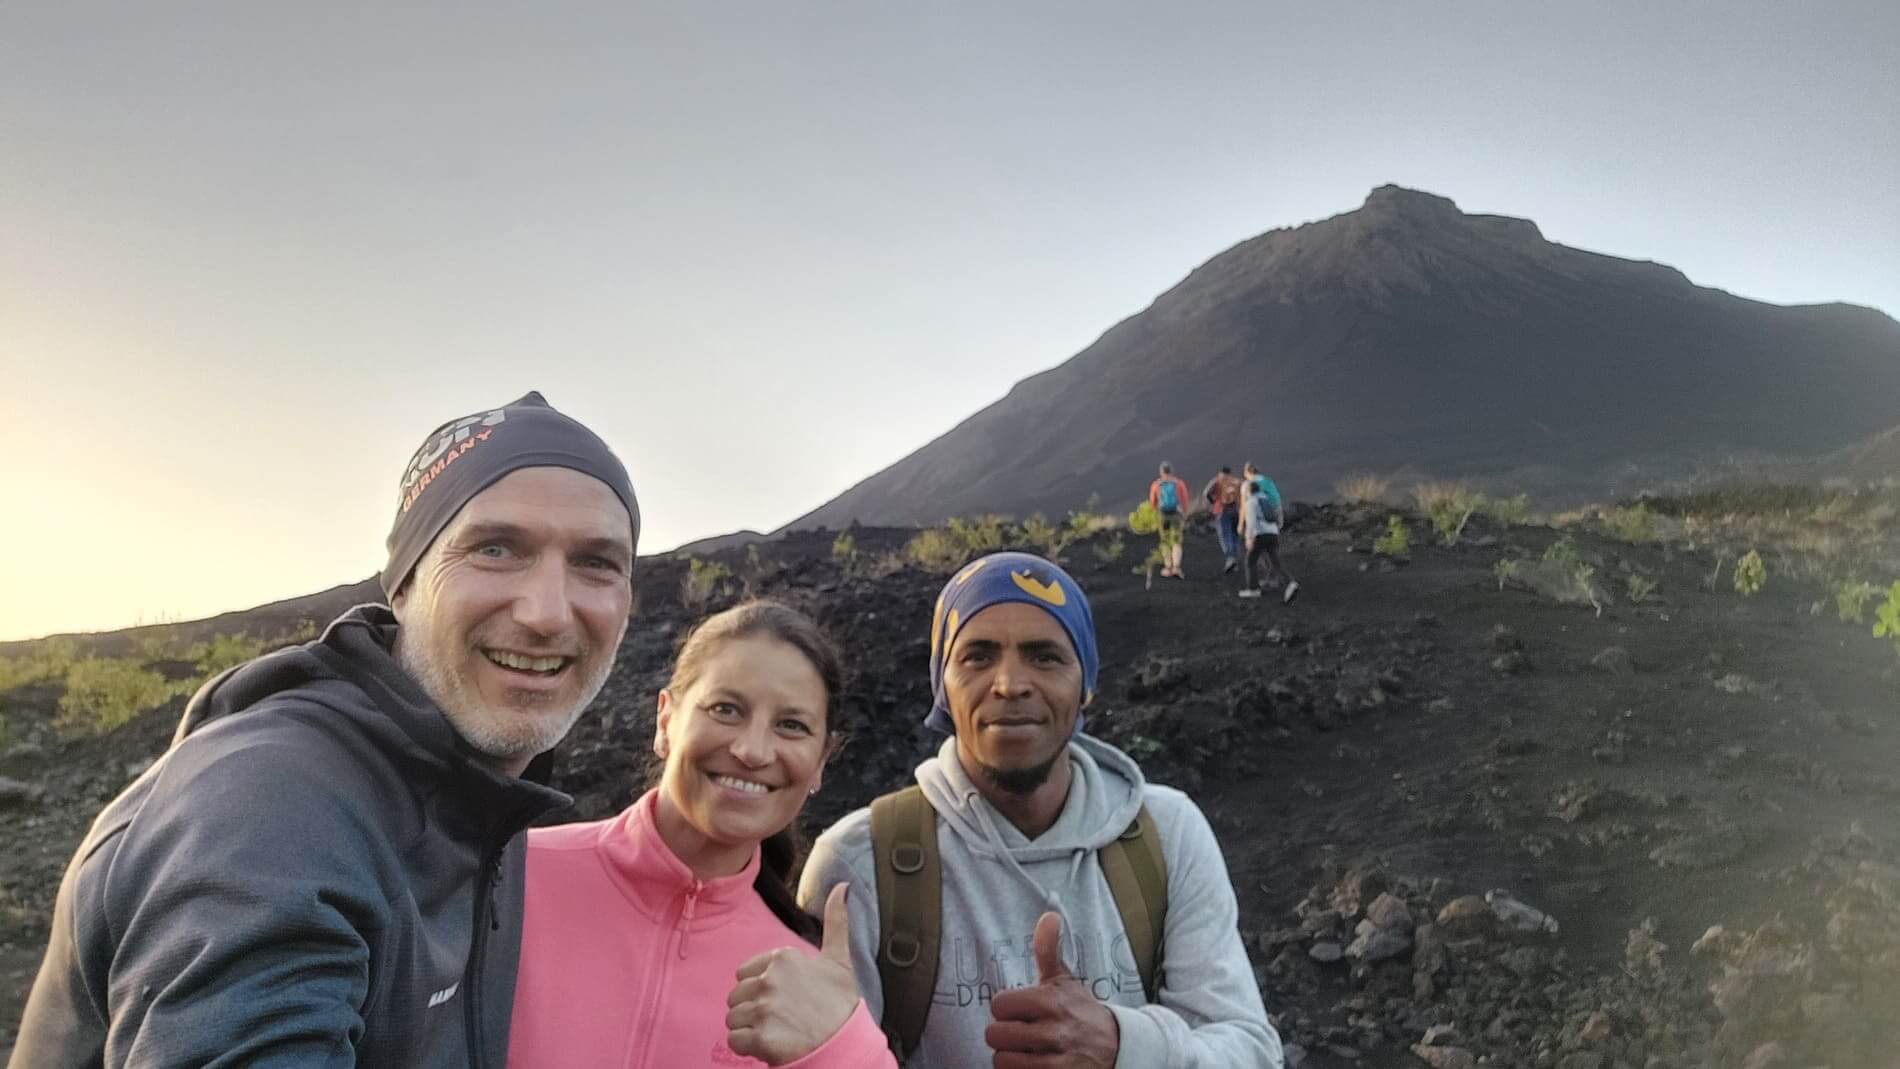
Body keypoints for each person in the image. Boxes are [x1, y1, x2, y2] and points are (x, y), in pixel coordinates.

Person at [12, 392, 640, 1068]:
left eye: (597, 562)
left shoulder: (482, 800)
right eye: (494, 548)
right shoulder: (270, 810)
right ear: (403, 584)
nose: (547, 612)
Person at [798, 551, 1284, 1067]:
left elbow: (1250, 1050)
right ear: (944, 686)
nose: (1010, 683)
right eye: (978, 656)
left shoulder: (1167, 833)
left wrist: (1124, 1047)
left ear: (1085, 686)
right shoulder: (861, 864)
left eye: (1045, 656)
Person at [507, 600, 893, 1068]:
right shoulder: (513, 879)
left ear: (821, 761)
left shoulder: (799, 988)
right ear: (665, 720)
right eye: (725, 709)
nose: (752, 750)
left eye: (791, 726)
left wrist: (844, 1050)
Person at [1239, 464, 1299, 603]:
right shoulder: (1266, 500)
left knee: (1250, 561)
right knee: (1275, 561)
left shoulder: (1251, 502)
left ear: (1249, 491)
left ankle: (1253, 589)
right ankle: (1290, 583)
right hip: (1273, 533)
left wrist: (1248, 538)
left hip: (1260, 534)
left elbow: (1252, 521)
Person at [1148, 462, 1192, 579]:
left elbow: (1152, 503)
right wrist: (1185, 514)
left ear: (1161, 472)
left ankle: (1167, 567)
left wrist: (1154, 515)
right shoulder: (1178, 483)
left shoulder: (1156, 485)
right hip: (1176, 514)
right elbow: (1185, 500)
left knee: (1165, 540)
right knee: (1176, 540)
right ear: (1171, 471)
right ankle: (1176, 567)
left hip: (1163, 515)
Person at [1201, 465, 1245, 573]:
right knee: (1235, 536)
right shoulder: (1237, 481)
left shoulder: (1217, 480)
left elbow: (1206, 493)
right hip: (1236, 511)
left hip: (1221, 510)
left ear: (1220, 472)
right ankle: (1236, 561)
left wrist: (1213, 503)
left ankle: (1230, 559)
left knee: (1225, 535)